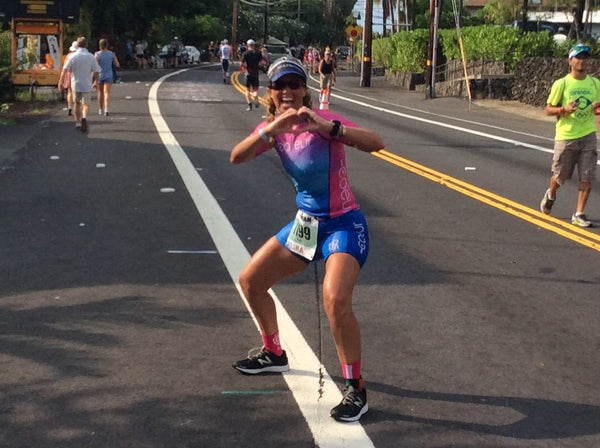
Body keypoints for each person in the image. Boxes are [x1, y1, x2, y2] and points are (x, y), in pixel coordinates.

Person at [230, 57, 385, 422]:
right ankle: (274, 352)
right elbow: (236, 157)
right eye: (280, 86)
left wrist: (332, 129)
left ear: (305, 89)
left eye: (294, 84)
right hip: (306, 226)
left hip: (344, 224)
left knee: (335, 299)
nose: (287, 91)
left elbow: (377, 143)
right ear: (271, 93)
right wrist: (273, 129)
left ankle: (355, 388)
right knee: (251, 281)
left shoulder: (324, 123)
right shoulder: (273, 130)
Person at [541, 43, 600, 227]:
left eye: (585, 57)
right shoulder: (562, 83)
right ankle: (550, 194)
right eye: (578, 57)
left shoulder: (595, 83)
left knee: (587, 176)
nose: (582, 61)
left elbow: (598, 107)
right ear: (570, 61)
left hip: (588, 134)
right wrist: (563, 109)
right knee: (560, 176)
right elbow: (548, 109)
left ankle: (579, 213)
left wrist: (597, 108)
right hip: (566, 135)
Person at [57, 36, 100, 133]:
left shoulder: (73, 56)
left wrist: (61, 81)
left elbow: (65, 69)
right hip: (87, 83)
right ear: (86, 44)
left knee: (76, 103)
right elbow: (96, 70)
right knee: (86, 104)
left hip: (75, 83)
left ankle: (77, 122)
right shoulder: (90, 56)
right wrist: (96, 81)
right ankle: (84, 116)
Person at [95, 39, 120, 116]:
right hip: (109, 74)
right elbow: (117, 64)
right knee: (107, 92)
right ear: (107, 45)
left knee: (100, 92)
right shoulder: (111, 54)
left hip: (100, 74)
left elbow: (94, 65)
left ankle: (100, 109)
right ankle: (106, 109)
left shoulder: (97, 54)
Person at [241, 39, 265, 111]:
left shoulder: (245, 53)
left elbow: (242, 63)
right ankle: (256, 100)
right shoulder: (258, 53)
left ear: (247, 45)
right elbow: (262, 62)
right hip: (255, 73)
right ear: (254, 45)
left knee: (247, 90)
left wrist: (245, 67)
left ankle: (249, 105)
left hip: (248, 73)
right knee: (255, 89)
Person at [61, 40, 78, 116]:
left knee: (69, 91)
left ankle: (69, 107)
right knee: (76, 92)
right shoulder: (79, 55)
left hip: (68, 74)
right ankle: (75, 107)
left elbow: (65, 66)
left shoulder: (68, 56)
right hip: (76, 74)